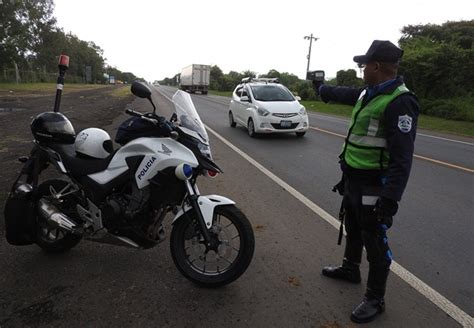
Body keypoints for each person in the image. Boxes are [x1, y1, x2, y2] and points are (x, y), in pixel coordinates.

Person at [312, 40, 420, 323]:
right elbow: (345, 93)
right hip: (354, 177)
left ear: (376, 66)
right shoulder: (369, 92)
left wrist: (390, 199)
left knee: (374, 237)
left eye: (363, 65)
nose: (360, 69)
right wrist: (321, 88)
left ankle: (375, 298)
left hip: (375, 183)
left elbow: (402, 158)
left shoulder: (400, 102)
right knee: (353, 225)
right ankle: (350, 269)